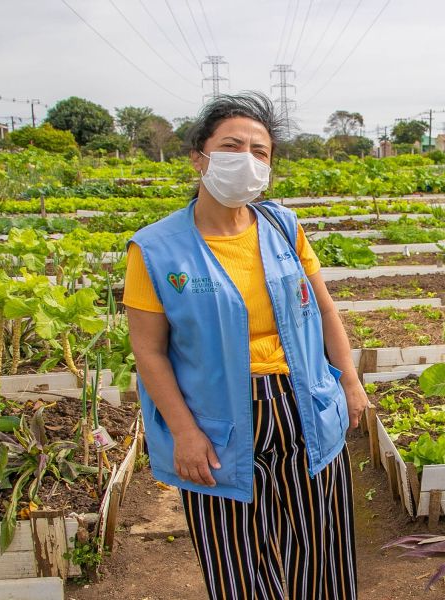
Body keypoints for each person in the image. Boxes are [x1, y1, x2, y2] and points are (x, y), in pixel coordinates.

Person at [123, 92, 367, 599]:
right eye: (233, 146)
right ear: (199, 155)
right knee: (237, 559)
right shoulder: (155, 248)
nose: (248, 160)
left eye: (261, 151)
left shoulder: (284, 227)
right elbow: (148, 352)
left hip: (304, 403)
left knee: (323, 548)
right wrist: (185, 432)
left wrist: (350, 381)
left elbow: (324, 310)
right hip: (219, 420)